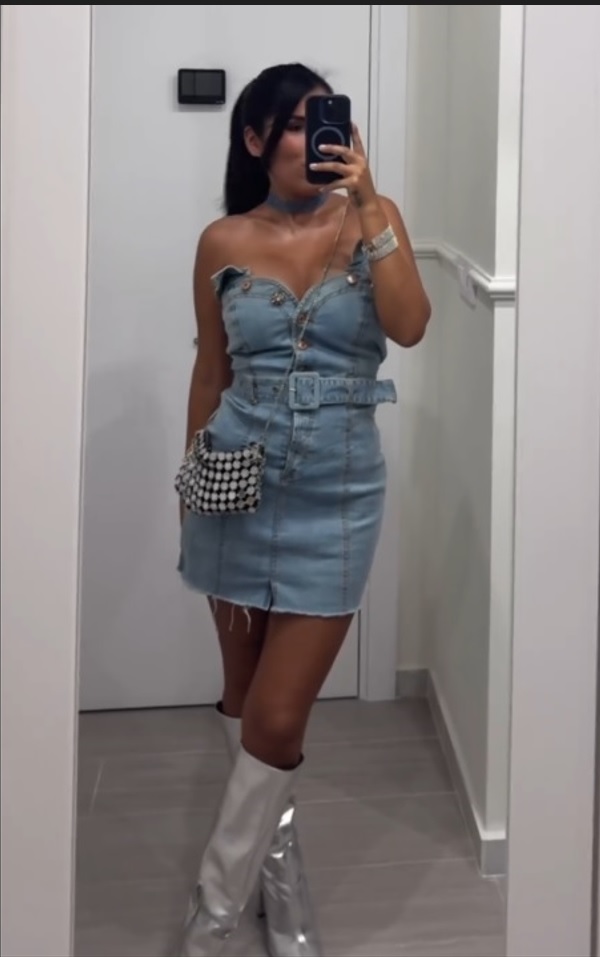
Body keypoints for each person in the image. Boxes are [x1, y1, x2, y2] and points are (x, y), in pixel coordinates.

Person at [174, 62, 430, 957]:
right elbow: (211, 370)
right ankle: (280, 892)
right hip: (233, 478)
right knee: (244, 700)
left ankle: (210, 923)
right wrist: (187, 483)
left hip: (337, 492)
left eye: (325, 118)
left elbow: (410, 326)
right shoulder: (222, 239)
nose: (314, 137)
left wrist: (369, 207)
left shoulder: (373, 218)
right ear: (253, 140)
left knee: (279, 718)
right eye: (292, 123)